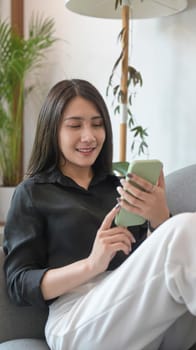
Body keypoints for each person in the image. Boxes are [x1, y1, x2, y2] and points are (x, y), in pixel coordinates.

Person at [3, 79, 196, 350]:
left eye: (97, 124)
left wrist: (159, 218)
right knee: (185, 226)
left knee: (184, 227)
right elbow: (19, 284)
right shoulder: (33, 193)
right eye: (75, 125)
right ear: (53, 130)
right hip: (76, 319)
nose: (89, 136)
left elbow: (150, 266)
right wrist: (92, 264)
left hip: (137, 312)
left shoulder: (120, 187)